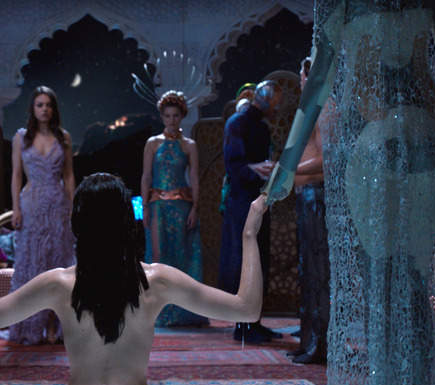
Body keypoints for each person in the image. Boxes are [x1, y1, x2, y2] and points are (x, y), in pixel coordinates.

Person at [263, 1, 435, 385]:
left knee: (381, 285)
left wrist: (286, 166)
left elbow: (319, 79)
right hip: (432, 142)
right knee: (414, 281)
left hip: (371, 144)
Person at [0, 173, 266, 385]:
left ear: (78, 224)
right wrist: (250, 234)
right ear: (128, 221)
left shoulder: (58, 285)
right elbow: (247, 309)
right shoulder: (156, 281)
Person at [9, 85, 75, 344]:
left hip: (58, 207)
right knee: (33, 265)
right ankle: (32, 325)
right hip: (32, 206)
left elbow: (69, 176)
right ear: (33, 109)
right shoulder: (21, 137)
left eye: (48, 105)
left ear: (54, 109)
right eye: (40, 105)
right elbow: (16, 175)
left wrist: (74, 207)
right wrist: (16, 208)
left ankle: (55, 325)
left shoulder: (64, 137)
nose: (44, 109)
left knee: (58, 263)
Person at [218, 80, 283, 343]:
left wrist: (264, 170)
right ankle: (242, 325)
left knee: (259, 260)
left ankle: (255, 321)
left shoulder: (262, 126)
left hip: (258, 200)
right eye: (276, 104)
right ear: (264, 100)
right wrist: (255, 169)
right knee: (242, 260)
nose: (277, 110)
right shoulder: (237, 122)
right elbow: (234, 166)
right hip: (241, 204)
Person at [141, 90, 208, 327]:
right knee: (158, 257)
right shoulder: (152, 143)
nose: (171, 120)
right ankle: (157, 311)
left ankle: (182, 312)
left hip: (181, 207)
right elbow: (146, 177)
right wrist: (145, 207)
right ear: (162, 117)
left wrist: (195, 208)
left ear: (182, 117)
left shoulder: (189, 145)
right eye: (168, 116)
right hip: (158, 206)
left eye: (176, 116)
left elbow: (195, 178)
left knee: (181, 256)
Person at [288, 57, 331, 364]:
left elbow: (328, 158)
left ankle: (320, 344)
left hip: (317, 195)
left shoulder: (327, 107)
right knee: (307, 274)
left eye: (303, 75)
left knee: (318, 274)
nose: (301, 81)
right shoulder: (311, 107)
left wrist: (288, 169)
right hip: (306, 196)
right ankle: (309, 341)